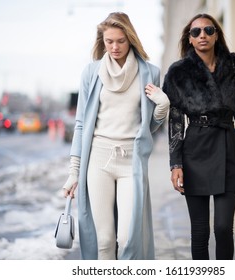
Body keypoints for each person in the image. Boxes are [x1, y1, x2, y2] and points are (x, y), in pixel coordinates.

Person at [162, 13, 235, 260]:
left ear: (216, 35)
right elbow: (176, 121)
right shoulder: (178, 72)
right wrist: (176, 163)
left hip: (227, 148)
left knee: (224, 228)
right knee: (200, 231)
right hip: (194, 150)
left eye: (208, 30)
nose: (202, 35)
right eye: (196, 32)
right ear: (189, 39)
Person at [62, 12, 169, 260]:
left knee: (127, 238)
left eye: (120, 40)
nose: (114, 47)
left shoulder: (149, 73)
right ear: (103, 40)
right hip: (98, 160)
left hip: (131, 160)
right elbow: (80, 125)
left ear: (130, 38)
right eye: (109, 41)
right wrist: (73, 172)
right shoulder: (91, 73)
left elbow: (149, 127)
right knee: (104, 240)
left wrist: (162, 107)